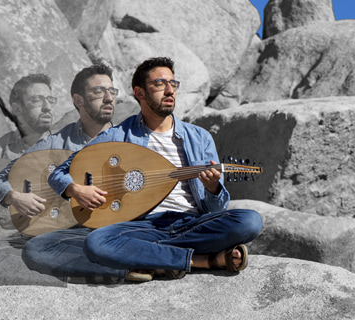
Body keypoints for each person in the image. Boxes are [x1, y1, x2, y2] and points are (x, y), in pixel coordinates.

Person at [40, 57, 262, 282]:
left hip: (191, 224)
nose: (169, 91)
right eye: (159, 84)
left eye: (173, 84)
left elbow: (215, 210)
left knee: (251, 221)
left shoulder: (200, 137)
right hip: (142, 227)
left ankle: (147, 256)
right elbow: (58, 173)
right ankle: (202, 260)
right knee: (96, 242)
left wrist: (213, 188)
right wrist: (75, 190)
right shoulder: (117, 136)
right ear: (139, 93)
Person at [0, 64, 117, 219]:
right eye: (98, 92)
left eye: (112, 91)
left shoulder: (130, 139)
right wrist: (14, 198)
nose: (109, 98)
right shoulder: (54, 143)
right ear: (78, 100)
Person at [0, 74, 56, 160]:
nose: (48, 107)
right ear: (17, 109)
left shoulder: (69, 146)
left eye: (50, 100)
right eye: (37, 100)